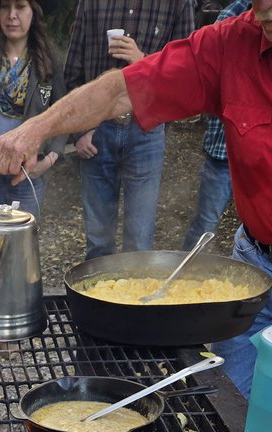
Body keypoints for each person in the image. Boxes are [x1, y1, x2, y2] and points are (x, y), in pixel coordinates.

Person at [0, 0, 272, 396]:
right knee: (228, 407)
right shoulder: (229, 45)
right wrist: (35, 128)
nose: (262, 8)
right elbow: (122, 88)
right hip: (250, 272)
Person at [63, 0, 195, 257]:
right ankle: (97, 297)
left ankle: (131, 296)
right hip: (96, 131)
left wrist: (144, 61)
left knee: (139, 242)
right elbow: (72, 73)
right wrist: (79, 131)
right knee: (98, 241)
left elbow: (187, 76)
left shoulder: (178, 4)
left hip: (146, 132)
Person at [0, 0, 67, 220]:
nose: (12, 15)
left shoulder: (49, 60)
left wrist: (49, 160)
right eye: (5, 7)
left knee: (20, 248)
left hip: (28, 175)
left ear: (33, 13)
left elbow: (62, 114)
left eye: (20, 7)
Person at [181, 0, 251, 250]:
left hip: (265, 158)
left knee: (262, 231)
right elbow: (208, 79)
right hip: (224, 150)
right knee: (206, 223)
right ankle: (183, 278)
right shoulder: (231, 15)